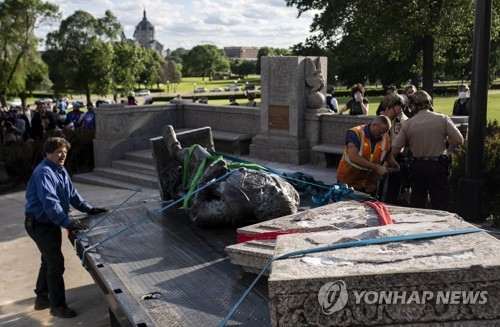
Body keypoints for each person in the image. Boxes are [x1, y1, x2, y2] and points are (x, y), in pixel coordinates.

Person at [24, 137, 109, 318]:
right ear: (48, 153)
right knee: (56, 264)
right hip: (39, 225)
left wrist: (89, 209)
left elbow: (72, 194)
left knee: (48, 260)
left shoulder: (60, 170)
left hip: (49, 222)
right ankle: (57, 306)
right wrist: (67, 222)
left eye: (64, 152)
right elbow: (50, 203)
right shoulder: (44, 173)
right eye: (58, 152)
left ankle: (42, 297)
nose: (62, 155)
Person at [392, 91, 464, 211]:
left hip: (417, 166)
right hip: (438, 166)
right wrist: (446, 142)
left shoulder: (408, 124)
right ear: (429, 103)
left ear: (412, 106)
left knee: (417, 204)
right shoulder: (442, 119)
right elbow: (459, 139)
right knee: (441, 204)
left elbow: (395, 149)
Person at [336, 115, 400, 195]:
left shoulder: (385, 137)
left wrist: (395, 165)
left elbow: (388, 155)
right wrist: (377, 168)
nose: (382, 135)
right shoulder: (356, 133)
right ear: (374, 125)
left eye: (385, 132)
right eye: (380, 132)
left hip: (368, 185)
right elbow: (353, 157)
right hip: (348, 182)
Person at [380, 93, 410, 205]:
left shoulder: (399, 122)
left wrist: (384, 167)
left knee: (392, 198)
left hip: (397, 164)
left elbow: (397, 149)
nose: (386, 111)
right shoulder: (396, 120)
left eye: (388, 108)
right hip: (395, 162)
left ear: (398, 107)